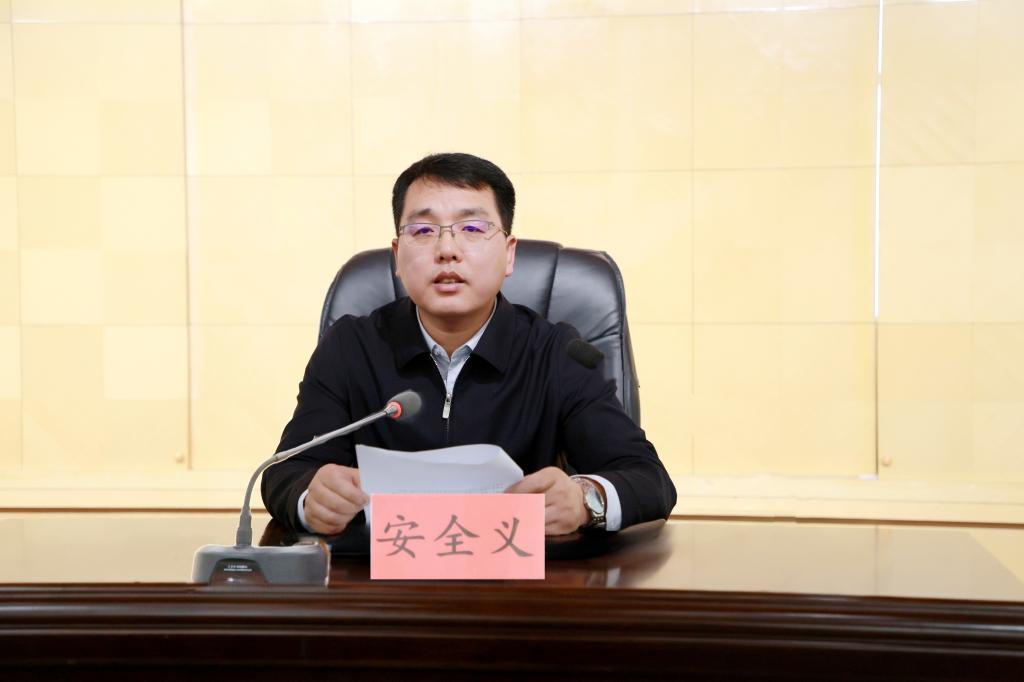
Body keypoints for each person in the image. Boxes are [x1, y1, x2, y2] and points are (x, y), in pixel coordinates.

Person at [261, 152, 676, 536]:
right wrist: (311, 498)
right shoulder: (351, 347)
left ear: (509, 254)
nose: (447, 250)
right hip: (383, 577)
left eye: (473, 229)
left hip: (518, 578)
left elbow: (648, 479)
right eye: (423, 230)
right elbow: (286, 472)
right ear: (398, 255)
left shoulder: (555, 353)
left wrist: (585, 499)